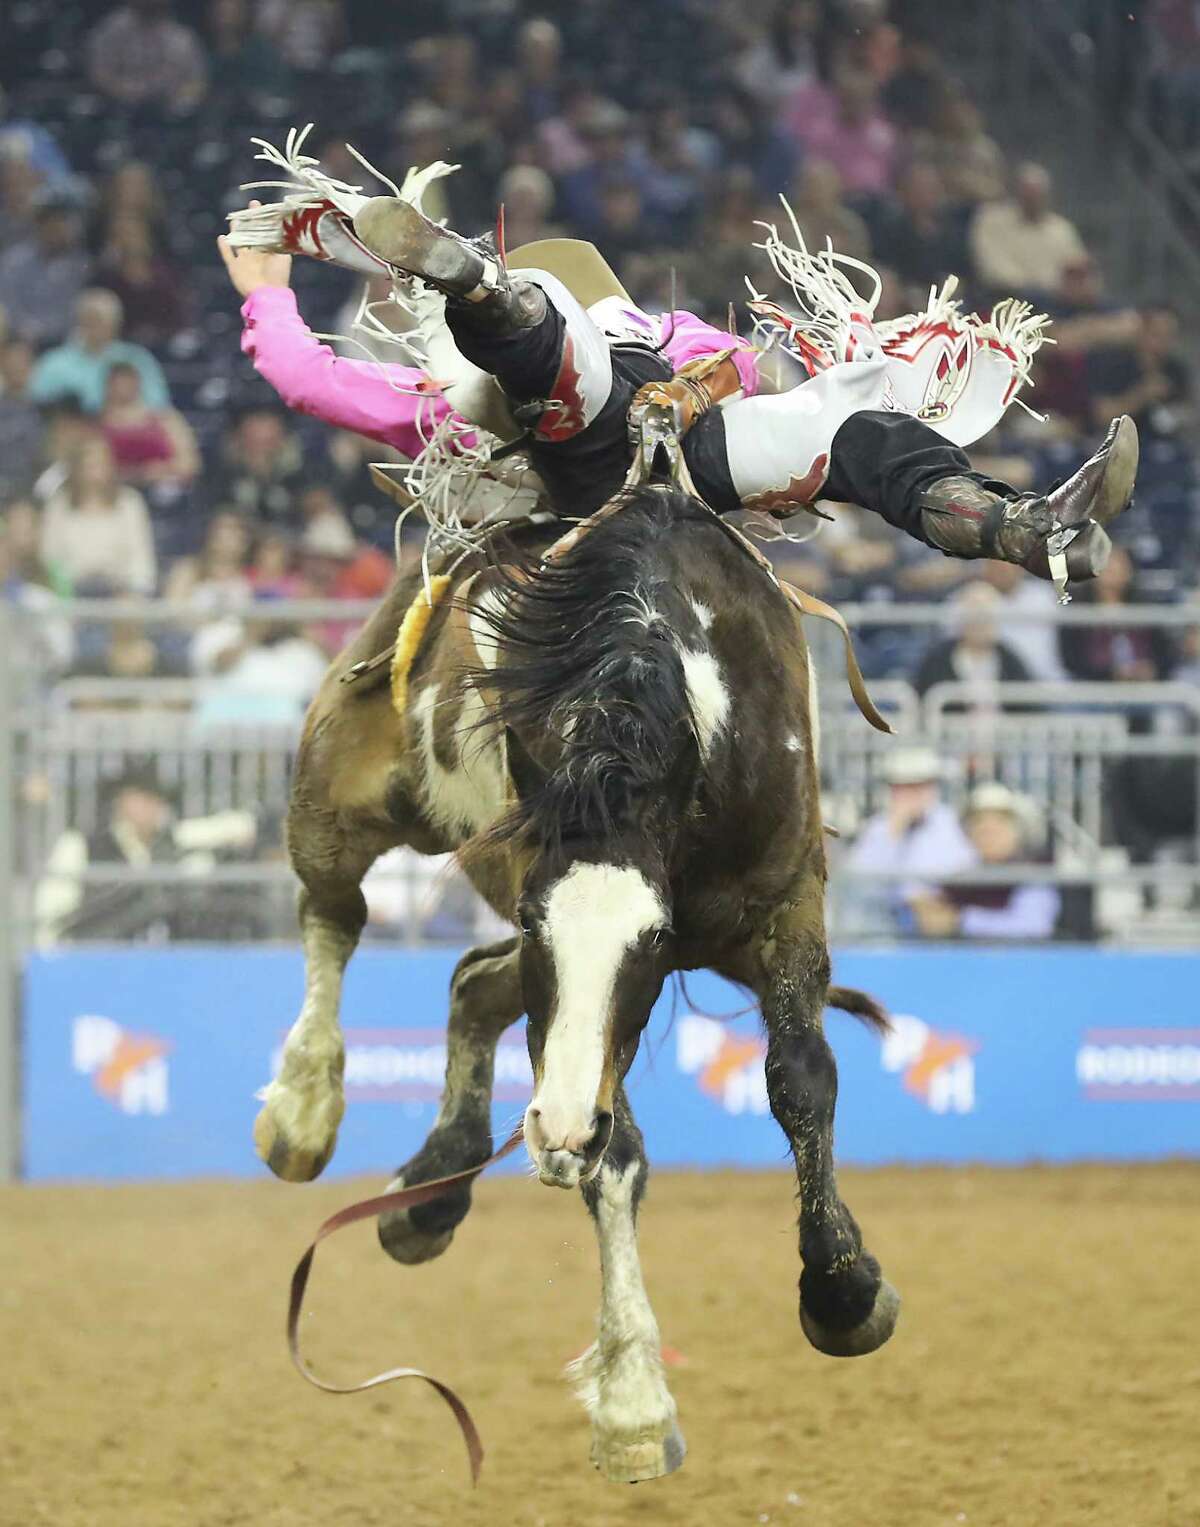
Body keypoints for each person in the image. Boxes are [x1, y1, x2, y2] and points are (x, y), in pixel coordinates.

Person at [219, 144, 1139, 602]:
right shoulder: (458, 399)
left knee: (848, 424)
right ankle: (486, 289)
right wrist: (267, 293)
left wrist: (264, 290)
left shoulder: (645, 327)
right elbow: (309, 380)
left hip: (677, 445)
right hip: (580, 452)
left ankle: (1026, 528)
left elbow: (731, 360)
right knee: (555, 355)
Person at [847, 746, 976, 935]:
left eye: (918, 786)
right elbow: (858, 883)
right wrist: (893, 833)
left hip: (936, 921)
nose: (909, 794)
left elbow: (963, 868)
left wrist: (922, 898)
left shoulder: (949, 822)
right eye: (901, 787)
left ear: (931, 788)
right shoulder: (879, 826)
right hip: (883, 920)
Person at [910, 783, 1061, 941]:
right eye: (979, 823)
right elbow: (932, 911)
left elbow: (1033, 927)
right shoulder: (964, 877)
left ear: (1017, 830)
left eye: (999, 822)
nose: (988, 830)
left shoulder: (1033, 872)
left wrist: (961, 920)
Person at [39, 434, 157, 594]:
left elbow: (141, 559)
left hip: (120, 591)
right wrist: (64, 588)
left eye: (100, 464)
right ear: (76, 468)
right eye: (89, 465)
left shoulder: (130, 502)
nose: (95, 472)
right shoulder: (59, 504)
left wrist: (133, 590)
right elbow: (50, 556)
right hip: (70, 591)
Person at [29, 288, 170, 414]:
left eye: (100, 320)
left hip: (126, 433)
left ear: (116, 324)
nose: (94, 327)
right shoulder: (54, 362)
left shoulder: (137, 359)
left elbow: (158, 405)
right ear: (78, 321)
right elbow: (38, 402)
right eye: (88, 319)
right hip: (73, 434)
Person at [968, 163, 1088, 303]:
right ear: (1017, 192)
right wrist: (1039, 286)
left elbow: (1077, 265)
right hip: (1008, 297)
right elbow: (993, 269)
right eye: (1028, 192)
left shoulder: (1061, 228)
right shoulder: (991, 221)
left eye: (1038, 193)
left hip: (1059, 297)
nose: (1032, 198)